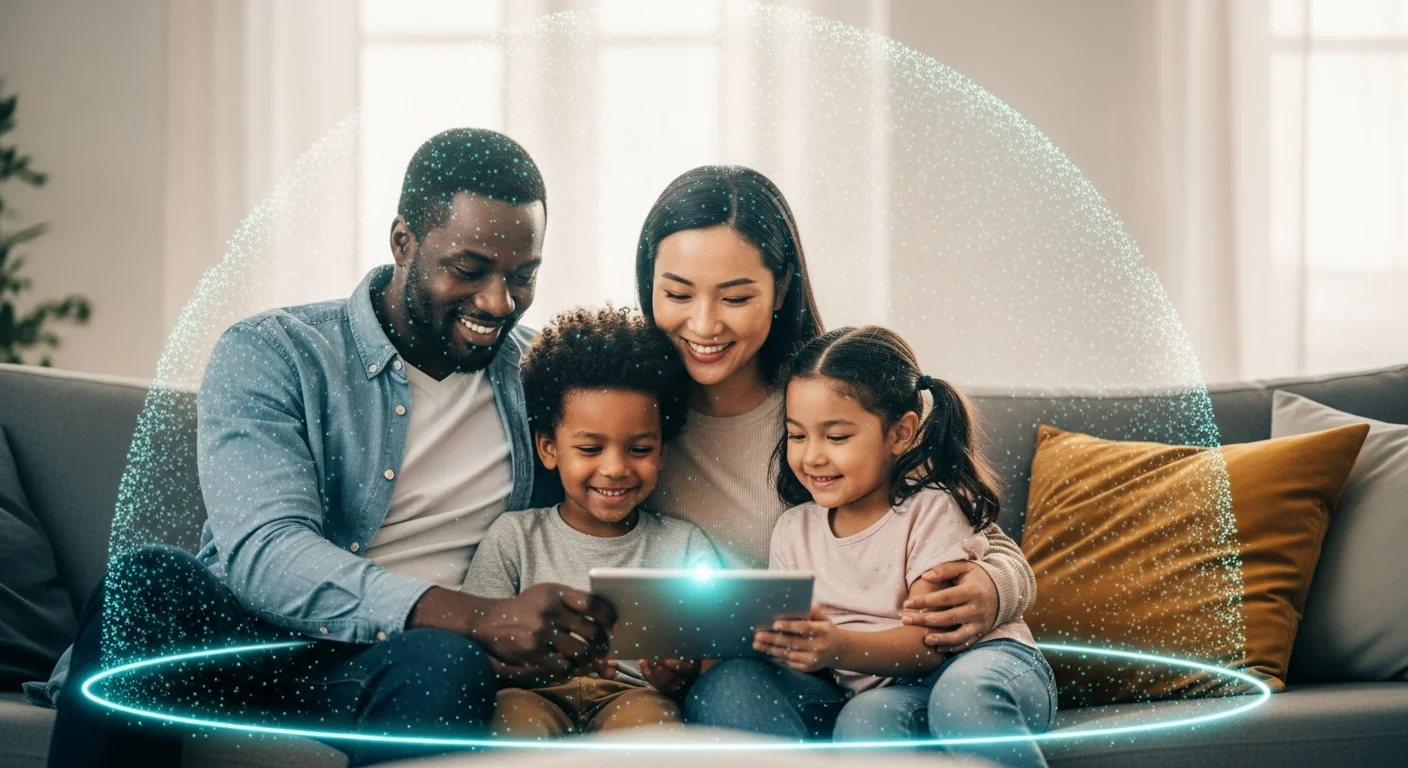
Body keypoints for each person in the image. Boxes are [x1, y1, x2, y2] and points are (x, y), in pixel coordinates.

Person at [46, 128, 614, 768]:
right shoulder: (274, 352)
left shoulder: (540, 377)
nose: (497, 301)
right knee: (147, 581)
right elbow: (264, 553)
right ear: (404, 242)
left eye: (524, 276)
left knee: (444, 664)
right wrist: (477, 616)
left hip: (394, 668)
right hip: (244, 646)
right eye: (469, 269)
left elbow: (610, 499)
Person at [636, 165, 1036, 658]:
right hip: (742, 675)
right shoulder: (629, 417)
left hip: (861, 669)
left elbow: (972, 532)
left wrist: (994, 587)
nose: (703, 324)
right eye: (676, 294)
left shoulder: (830, 404)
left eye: (736, 297)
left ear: (781, 288)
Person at [687, 326, 1056, 766]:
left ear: (900, 433)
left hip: (980, 665)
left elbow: (931, 642)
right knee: (858, 717)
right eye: (798, 436)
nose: (812, 456)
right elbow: (807, 650)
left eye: (837, 437)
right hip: (888, 691)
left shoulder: (931, 508)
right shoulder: (793, 530)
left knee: (962, 697)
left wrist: (837, 646)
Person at [463, 306, 721, 738]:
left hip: (635, 695)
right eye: (590, 449)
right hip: (530, 692)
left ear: (662, 453)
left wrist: (681, 669)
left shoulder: (684, 545)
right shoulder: (514, 537)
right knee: (511, 725)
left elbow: (712, 649)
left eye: (639, 449)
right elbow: (478, 639)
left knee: (654, 731)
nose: (616, 468)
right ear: (548, 449)